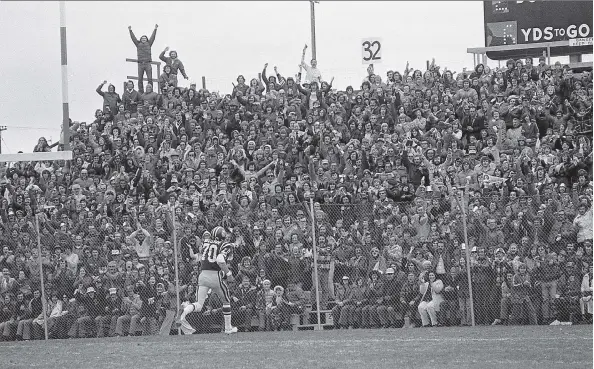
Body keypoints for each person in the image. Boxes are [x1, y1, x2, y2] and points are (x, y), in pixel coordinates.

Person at [177, 226, 237, 335]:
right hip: (214, 275)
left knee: (199, 305)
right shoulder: (224, 245)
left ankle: (184, 311)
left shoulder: (205, 243)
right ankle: (228, 328)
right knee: (226, 301)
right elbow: (220, 260)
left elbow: (199, 255)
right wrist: (229, 274)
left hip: (203, 275)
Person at [128, 24, 158, 93]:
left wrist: (155, 29)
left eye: (145, 39)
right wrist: (130, 30)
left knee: (150, 79)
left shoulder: (149, 44)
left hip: (148, 63)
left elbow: (153, 37)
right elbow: (133, 38)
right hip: (140, 64)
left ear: (146, 39)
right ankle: (141, 91)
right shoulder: (138, 44)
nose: (143, 39)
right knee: (140, 79)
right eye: (142, 38)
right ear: (140, 39)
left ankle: (150, 91)